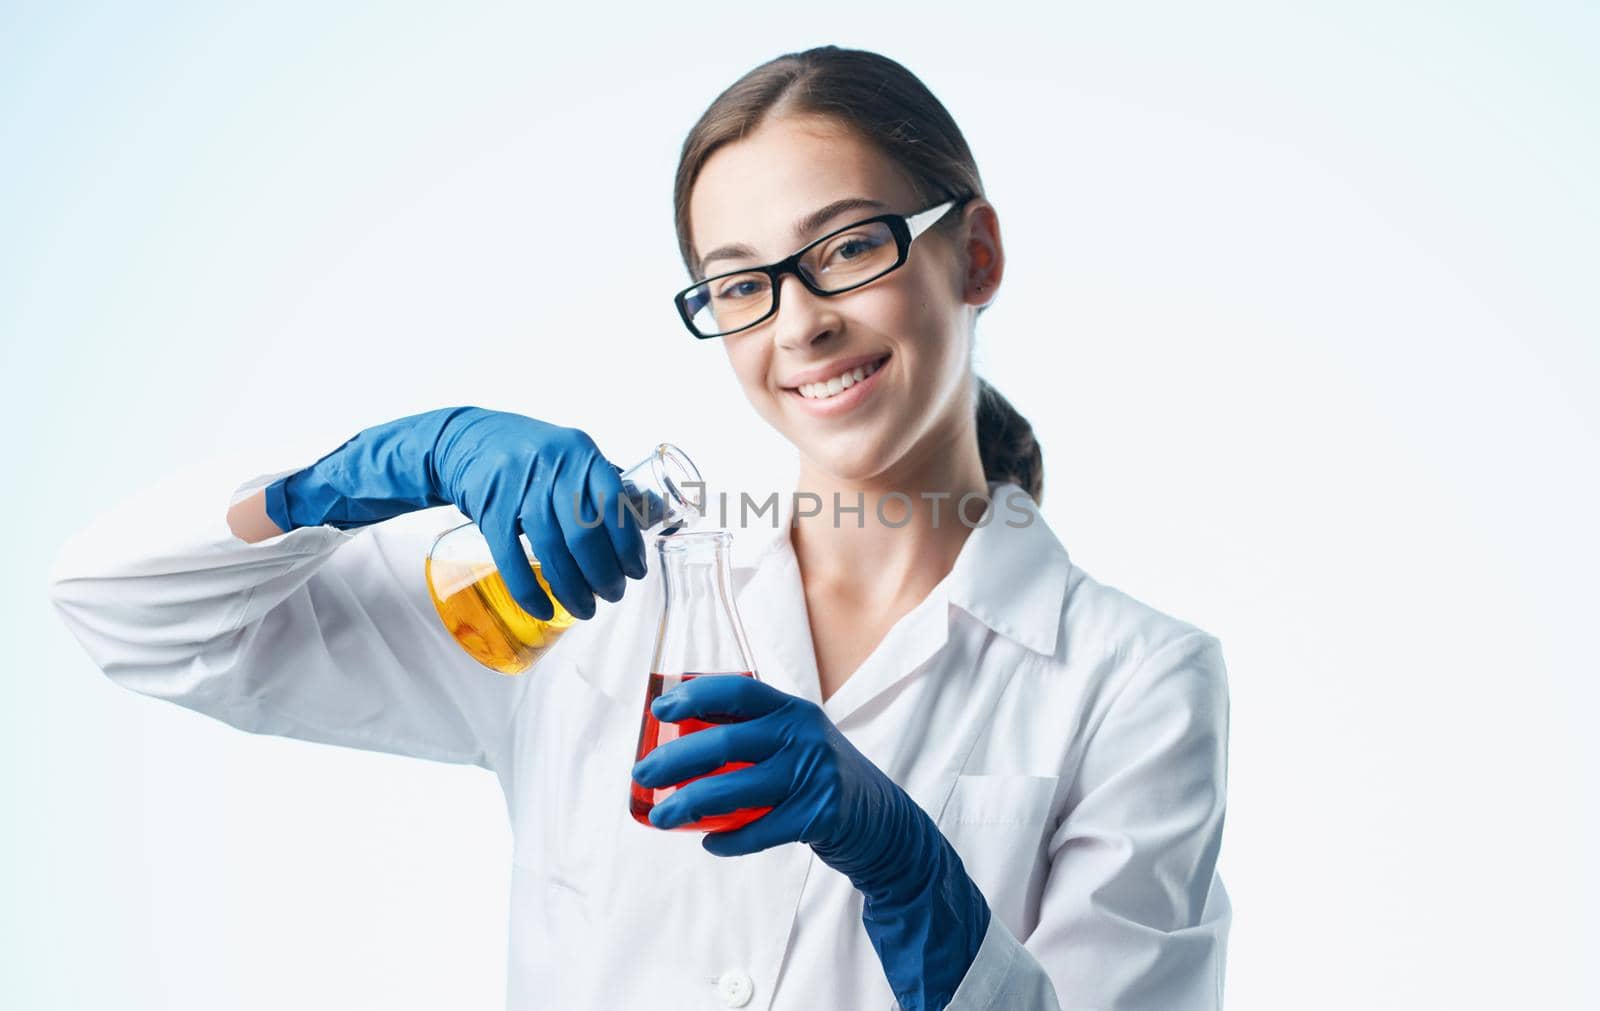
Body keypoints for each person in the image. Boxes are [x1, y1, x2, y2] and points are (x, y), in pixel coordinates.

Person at [48, 45, 1230, 1011]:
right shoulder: (594, 595)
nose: (798, 324)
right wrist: (345, 480)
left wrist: (914, 878)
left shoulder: (1136, 681)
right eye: (737, 283)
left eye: (849, 248)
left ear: (974, 254)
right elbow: (125, 613)